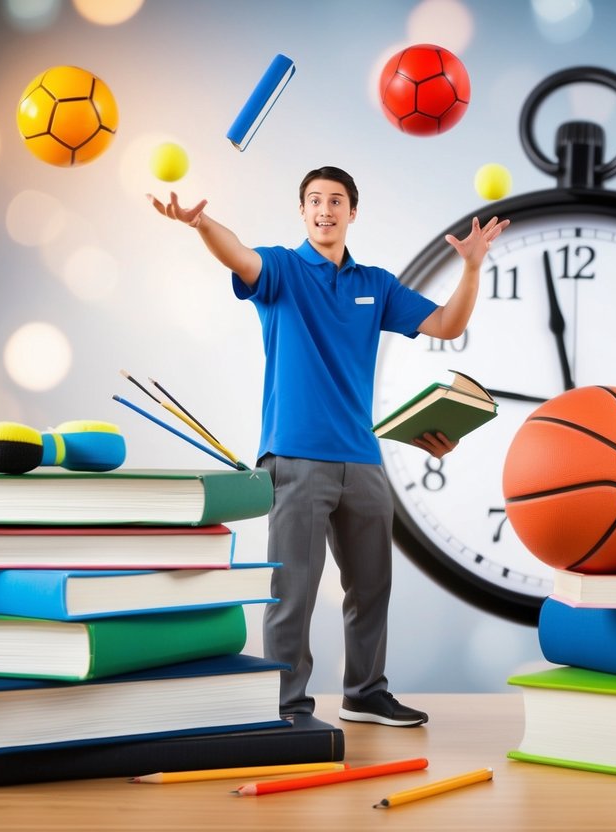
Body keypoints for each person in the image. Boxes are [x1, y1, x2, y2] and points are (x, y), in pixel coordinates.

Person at [149, 167, 508, 727]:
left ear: (352, 212)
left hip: (363, 461)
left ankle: (365, 693)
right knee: (292, 592)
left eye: (335, 201)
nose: (324, 209)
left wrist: (472, 265)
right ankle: (286, 705)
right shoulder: (283, 270)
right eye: (314, 200)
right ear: (302, 211)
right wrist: (199, 224)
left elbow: (446, 323)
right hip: (294, 458)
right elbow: (239, 256)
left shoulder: (376, 283)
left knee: (372, 589)